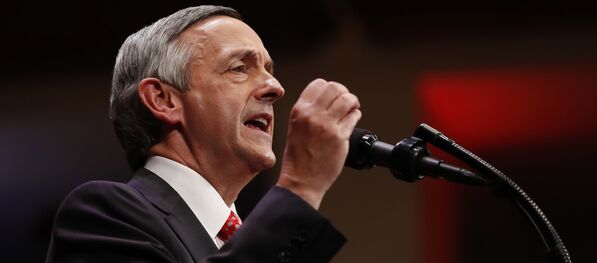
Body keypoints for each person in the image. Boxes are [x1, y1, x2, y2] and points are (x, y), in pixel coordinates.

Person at [46, 5, 361, 262]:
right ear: (163, 100)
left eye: (269, 70)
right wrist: (300, 187)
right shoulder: (103, 216)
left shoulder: (252, 239)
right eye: (239, 68)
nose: (274, 88)